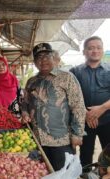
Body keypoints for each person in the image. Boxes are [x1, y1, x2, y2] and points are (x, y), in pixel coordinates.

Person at [21, 43, 86, 171]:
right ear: (34, 62)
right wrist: (25, 113)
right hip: (38, 141)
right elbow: (25, 103)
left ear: (53, 57)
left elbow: (78, 106)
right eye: (38, 57)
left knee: (63, 177)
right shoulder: (31, 81)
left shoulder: (67, 78)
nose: (43, 60)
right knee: (43, 177)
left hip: (61, 140)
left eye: (46, 56)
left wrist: (77, 134)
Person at [70, 36, 110, 171]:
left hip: (108, 120)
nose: (95, 51)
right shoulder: (74, 72)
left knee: (109, 155)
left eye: (98, 48)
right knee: (85, 155)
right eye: (91, 48)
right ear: (84, 52)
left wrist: (102, 108)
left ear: (103, 50)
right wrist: (85, 113)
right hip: (84, 122)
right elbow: (68, 96)